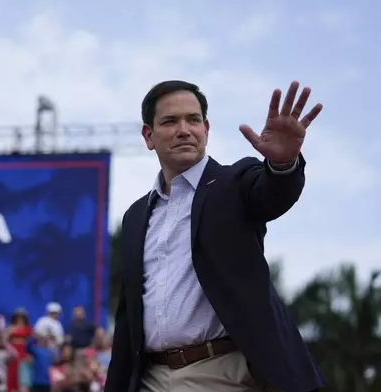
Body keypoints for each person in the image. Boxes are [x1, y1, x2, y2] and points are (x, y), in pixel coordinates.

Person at [104, 80, 326, 392]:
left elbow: (273, 194)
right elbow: (129, 317)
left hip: (221, 373)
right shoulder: (136, 216)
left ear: (206, 129)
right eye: (170, 121)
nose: (184, 129)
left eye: (193, 120)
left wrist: (282, 164)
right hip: (149, 378)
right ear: (148, 135)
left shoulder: (234, 182)